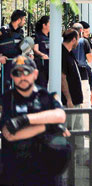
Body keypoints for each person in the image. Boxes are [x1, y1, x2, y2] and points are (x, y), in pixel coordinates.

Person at [1, 56, 71, 185]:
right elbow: (9, 134)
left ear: (35, 74)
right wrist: (48, 126)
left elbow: (60, 115)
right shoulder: (7, 100)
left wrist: (25, 120)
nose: (22, 77)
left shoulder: (46, 97)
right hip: (16, 171)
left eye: (26, 72)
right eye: (17, 73)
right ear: (12, 76)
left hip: (45, 171)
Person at [60, 28, 87, 164]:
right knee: (70, 130)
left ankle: (80, 159)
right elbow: (62, 78)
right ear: (74, 39)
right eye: (78, 38)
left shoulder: (69, 53)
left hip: (76, 100)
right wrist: (69, 99)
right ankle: (67, 161)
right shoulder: (62, 54)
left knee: (79, 131)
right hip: (70, 101)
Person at [0, 10, 27, 92]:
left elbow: (24, 47)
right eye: (24, 20)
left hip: (18, 64)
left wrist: (28, 53)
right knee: (5, 87)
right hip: (6, 64)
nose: (25, 22)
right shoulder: (3, 30)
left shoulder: (21, 32)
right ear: (19, 20)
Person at [33, 15, 51, 88]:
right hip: (42, 64)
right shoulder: (37, 36)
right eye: (50, 23)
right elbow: (35, 49)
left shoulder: (51, 36)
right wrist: (43, 55)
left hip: (51, 64)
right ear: (44, 25)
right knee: (42, 84)